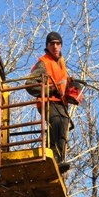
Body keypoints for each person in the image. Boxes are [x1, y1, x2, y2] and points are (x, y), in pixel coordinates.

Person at [26, 32, 73, 173]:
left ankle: (60, 159)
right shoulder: (43, 63)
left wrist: (72, 88)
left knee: (63, 125)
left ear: (61, 45)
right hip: (47, 101)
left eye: (58, 43)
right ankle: (53, 158)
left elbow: (63, 83)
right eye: (52, 44)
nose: (55, 46)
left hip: (61, 104)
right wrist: (50, 91)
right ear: (47, 46)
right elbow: (29, 84)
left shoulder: (61, 63)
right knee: (56, 122)